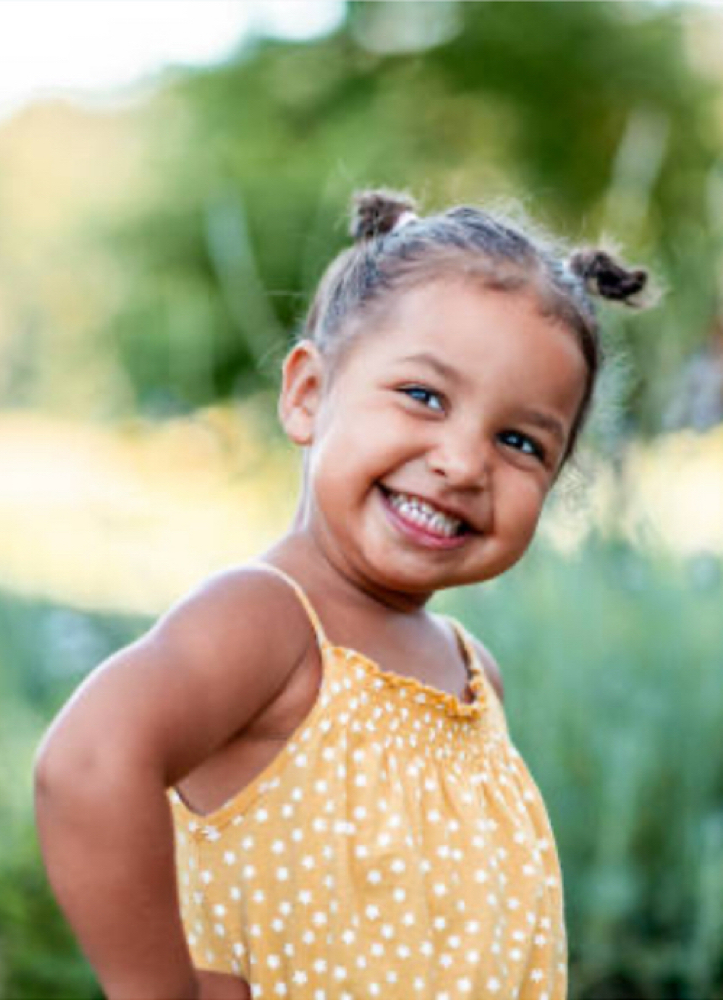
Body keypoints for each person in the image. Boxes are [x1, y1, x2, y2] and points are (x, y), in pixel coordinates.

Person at [33, 189, 649, 1000]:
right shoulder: (268, 621)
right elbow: (86, 765)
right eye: (424, 397)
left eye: (518, 441)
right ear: (308, 394)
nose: (464, 464)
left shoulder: (474, 679)